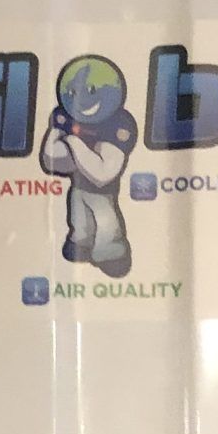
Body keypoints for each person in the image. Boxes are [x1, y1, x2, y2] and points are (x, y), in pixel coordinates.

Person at [39, 53, 137, 279]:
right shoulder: (64, 116)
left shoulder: (119, 123)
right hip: (79, 189)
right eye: (73, 93)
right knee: (79, 220)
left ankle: (111, 252)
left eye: (91, 91)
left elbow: (103, 173)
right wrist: (77, 150)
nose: (81, 101)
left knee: (105, 224)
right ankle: (80, 243)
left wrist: (73, 143)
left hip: (103, 193)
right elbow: (51, 158)